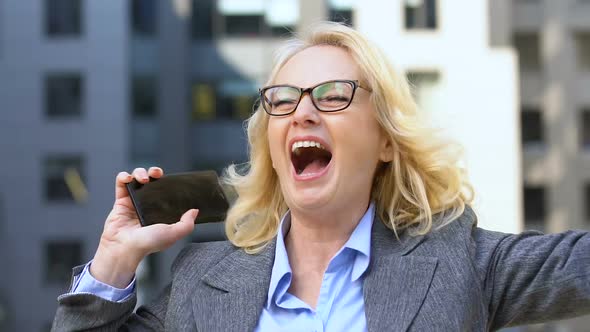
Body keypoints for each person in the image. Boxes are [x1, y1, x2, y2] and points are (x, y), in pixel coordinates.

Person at [52, 22, 590, 331]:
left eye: (334, 96)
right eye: (282, 101)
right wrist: (115, 258)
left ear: (385, 139)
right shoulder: (204, 280)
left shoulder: (456, 261)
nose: (302, 113)